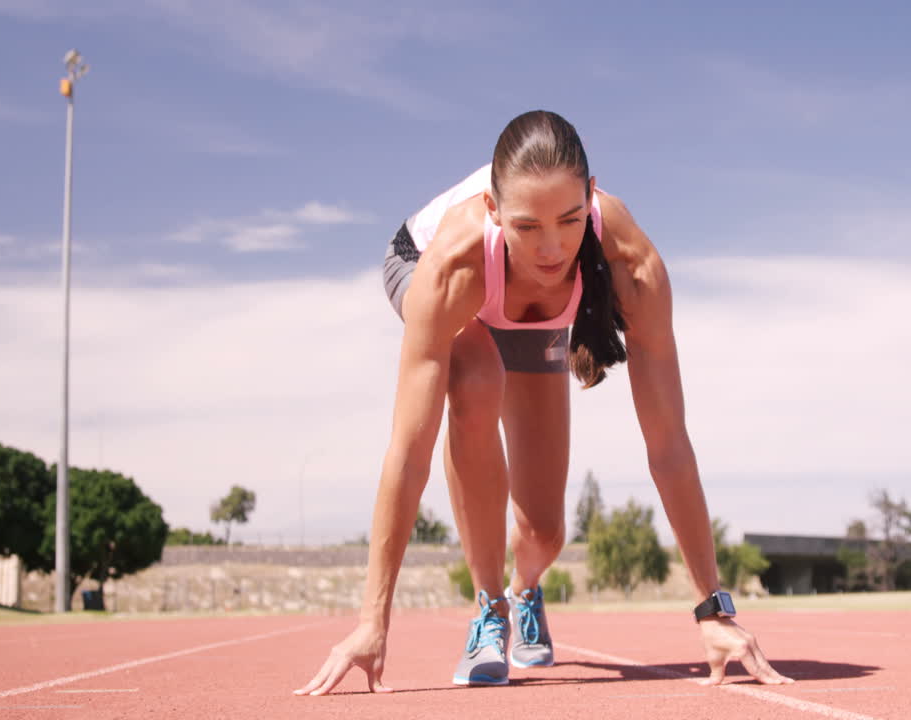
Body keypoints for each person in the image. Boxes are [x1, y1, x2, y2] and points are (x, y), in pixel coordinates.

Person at [295, 110, 793, 695]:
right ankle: (489, 609)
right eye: (528, 225)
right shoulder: (452, 263)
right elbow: (409, 452)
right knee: (476, 376)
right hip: (423, 263)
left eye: (570, 220)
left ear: (591, 196)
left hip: (532, 314)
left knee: (546, 532)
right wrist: (369, 622)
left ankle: (525, 588)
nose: (552, 248)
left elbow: (669, 445)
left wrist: (714, 609)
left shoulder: (632, 264)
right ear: (493, 210)